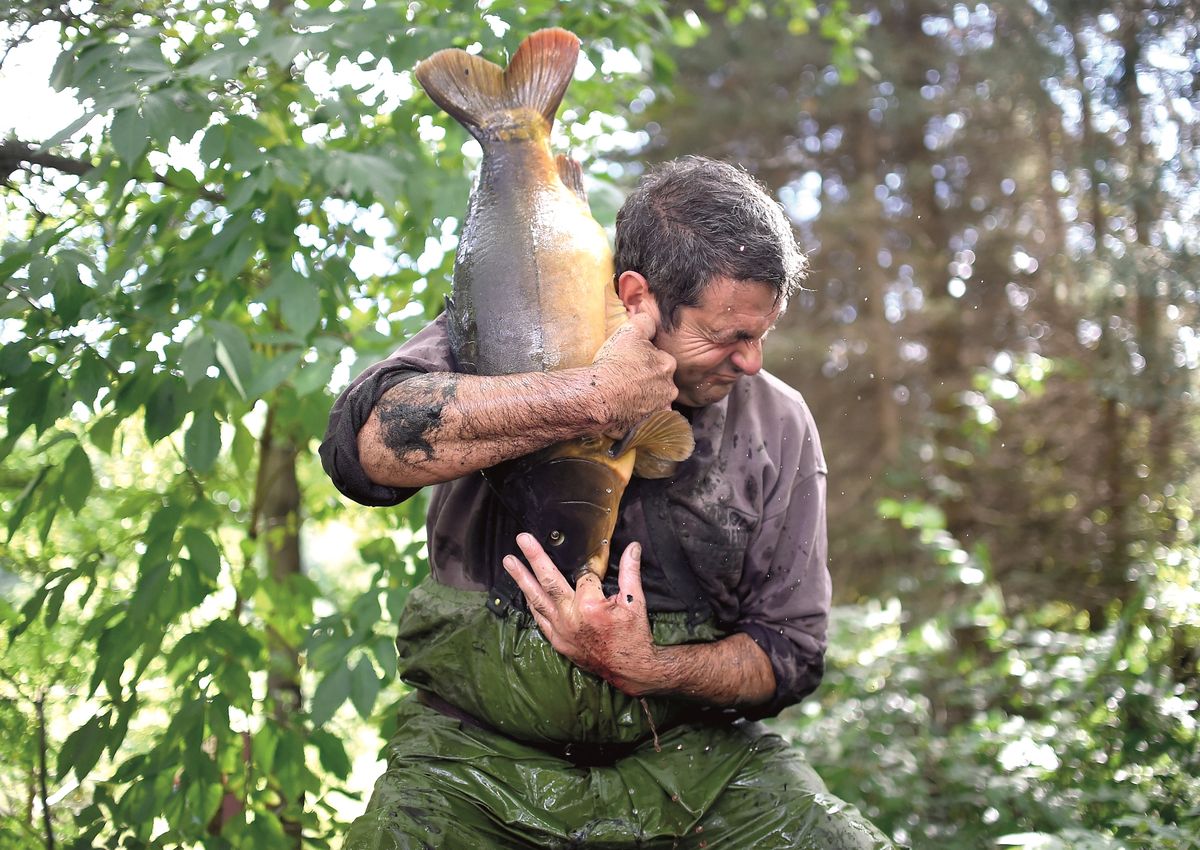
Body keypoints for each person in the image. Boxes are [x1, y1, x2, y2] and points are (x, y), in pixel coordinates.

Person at [320, 156, 896, 849]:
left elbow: (792, 653)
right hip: (474, 763)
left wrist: (651, 667)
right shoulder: (512, 329)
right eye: (728, 337)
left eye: (762, 333)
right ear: (637, 297)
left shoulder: (778, 421)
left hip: (695, 766)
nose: (751, 361)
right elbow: (362, 450)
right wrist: (588, 397)